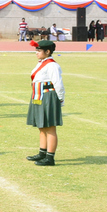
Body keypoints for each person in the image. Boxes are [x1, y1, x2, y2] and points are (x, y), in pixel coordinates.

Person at [26, 39, 65, 167]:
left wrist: (60, 99)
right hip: (38, 95)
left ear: (47, 52)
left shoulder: (52, 65)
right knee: (41, 126)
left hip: (48, 96)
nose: (36, 53)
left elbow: (58, 84)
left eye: (39, 50)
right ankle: (42, 152)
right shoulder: (42, 63)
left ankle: (50, 157)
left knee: (50, 127)